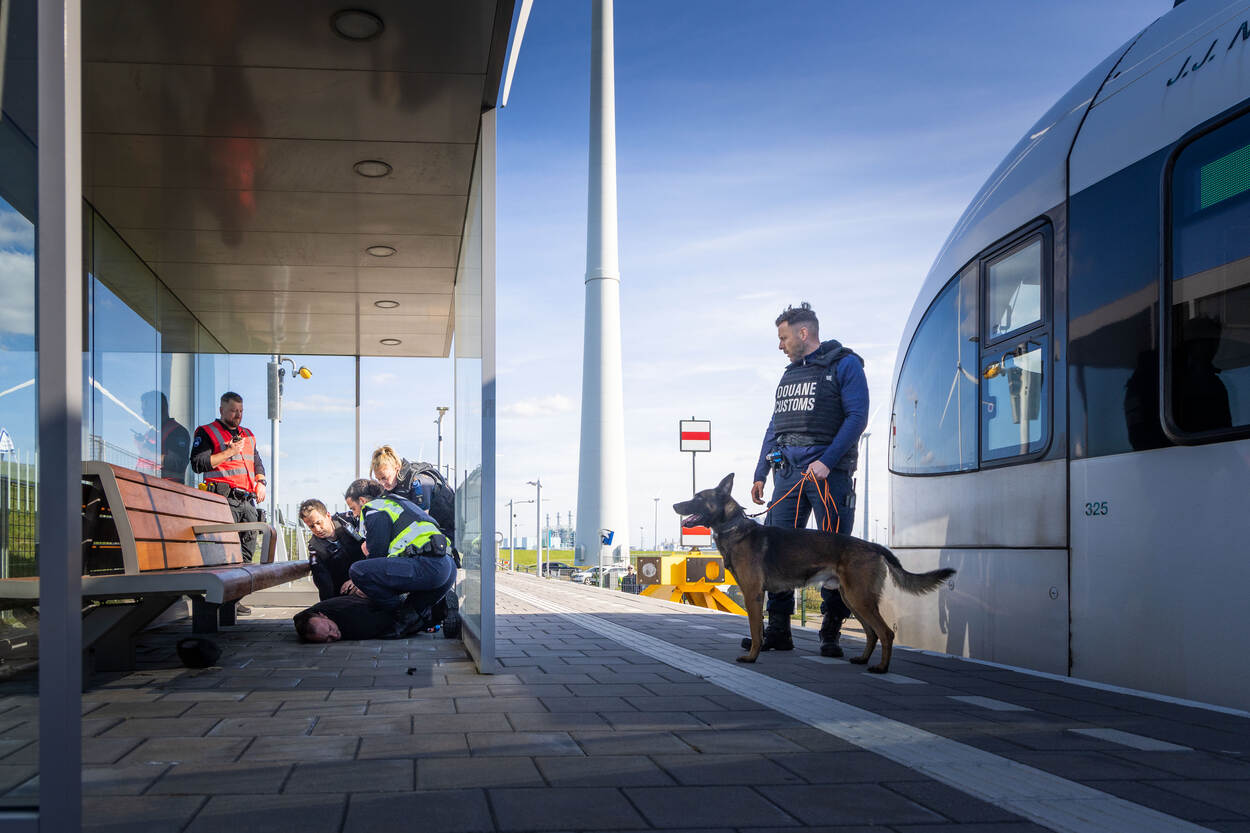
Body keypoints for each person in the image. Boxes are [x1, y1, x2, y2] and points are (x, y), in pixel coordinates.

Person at [742, 302, 868, 658]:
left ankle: (831, 631)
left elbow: (857, 417)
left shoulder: (845, 364)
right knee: (774, 552)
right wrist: (760, 473)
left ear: (803, 333)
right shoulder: (789, 375)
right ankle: (778, 630)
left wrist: (828, 461)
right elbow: (775, 426)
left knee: (835, 551)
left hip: (828, 475)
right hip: (787, 474)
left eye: (783, 338)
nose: (780, 345)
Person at [342, 479, 456, 632]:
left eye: (353, 508)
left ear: (362, 501)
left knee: (358, 571)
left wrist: (362, 586)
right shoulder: (397, 502)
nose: (355, 514)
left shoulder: (375, 508)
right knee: (410, 618)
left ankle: (397, 611)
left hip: (429, 567)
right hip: (447, 567)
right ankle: (438, 612)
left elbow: (377, 554)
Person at [191, 392, 267, 563]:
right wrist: (229, 452)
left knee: (246, 558)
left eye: (241, 411)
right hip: (224, 500)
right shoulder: (207, 431)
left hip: (248, 502)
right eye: (233, 411)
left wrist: (261, 481)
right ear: (221, 410)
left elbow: (257, 462)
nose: (238, 415)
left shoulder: (248, 434)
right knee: (223, 556)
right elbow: (197, 464)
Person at [299, 498, 366, 602]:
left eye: (319, 523)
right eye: (311, 526)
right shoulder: (315, 548)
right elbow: (323, 582)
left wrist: (358, 579)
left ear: (328, 516)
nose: (317, 529)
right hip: (345, 590)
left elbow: (374, 548)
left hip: (365, 574)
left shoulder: (349, 521)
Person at [293, 595, 408, 642]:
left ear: (323, 615)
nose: (334, 635)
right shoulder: (309, 616)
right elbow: (298, 617)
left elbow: (393, 618)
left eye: (330, 628)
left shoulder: (356, 626)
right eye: (328, 639)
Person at [135, 391, 190, 483]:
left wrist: (148, 453)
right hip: (144, 484)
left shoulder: (177, 431)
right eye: (143, 410)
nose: (143, 413)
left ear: (161, 409)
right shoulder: (151, 433)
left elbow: (178, 463)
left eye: (147, 409)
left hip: (165, 487)